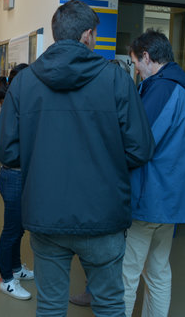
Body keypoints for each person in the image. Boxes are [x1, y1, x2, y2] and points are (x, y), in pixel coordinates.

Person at [0, 0, 155, 316]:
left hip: (45, 214)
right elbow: (140, 148)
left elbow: (8, 151)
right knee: (110, 303)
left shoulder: (24, 83)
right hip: (104, 215)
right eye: (95, 34)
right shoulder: (116, 80)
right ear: (86, 35)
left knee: (51, 304)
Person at [123, 29, 185, 317]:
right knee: (158, 270)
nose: (137, 71)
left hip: (148, 198)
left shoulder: (161, 89)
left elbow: (140, 145)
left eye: (136, 64)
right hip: (173, 199)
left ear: (146, 57)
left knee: (127, 272)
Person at [68, 57, 134, 309]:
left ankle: (100, 294)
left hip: (112, 190)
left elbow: (136, 147)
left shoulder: (125, 103)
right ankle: (94, 291)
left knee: (111, 255)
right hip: (98, 189)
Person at [0, 63, 34, 301]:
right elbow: (9, 150)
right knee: (11, 231)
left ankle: (17, 268)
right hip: (13, 176)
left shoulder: (17, 104)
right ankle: (6, 280)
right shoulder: (13, 106)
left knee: (18, 229)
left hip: (19, 176)